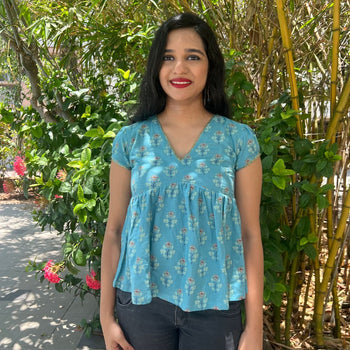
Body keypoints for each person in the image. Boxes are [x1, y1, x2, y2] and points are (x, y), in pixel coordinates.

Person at [100, 12, 263, 350]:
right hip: (141, 303)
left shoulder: (238, 140)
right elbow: (114, 230)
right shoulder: (131, 141)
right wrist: (106, 317)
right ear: (156, 68)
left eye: (193, 56)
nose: (179, 69)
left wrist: (255, 327)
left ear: (210, 65)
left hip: (216, 306)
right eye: (168, 58)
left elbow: (249, 234)